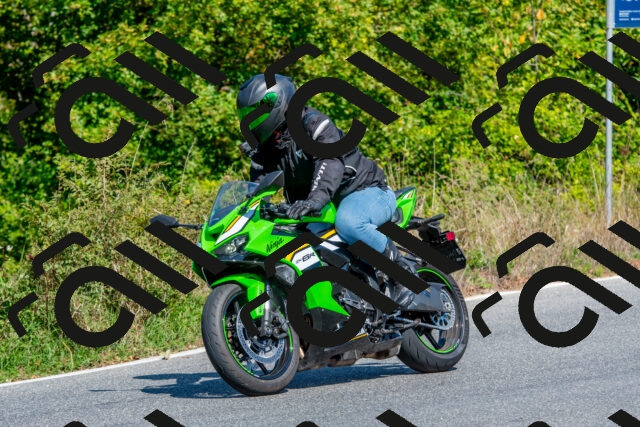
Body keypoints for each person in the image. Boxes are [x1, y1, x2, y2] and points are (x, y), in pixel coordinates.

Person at [236, 73, 416, 307]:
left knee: (350, 223)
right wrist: (241, 217)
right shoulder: (265, 148)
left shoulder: (312, 124)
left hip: (365, 191)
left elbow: (329, 161)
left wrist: (314, 200)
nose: (251, 122)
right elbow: (258, 189)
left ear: (278, 104)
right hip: (320, 207)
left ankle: (401, 274)